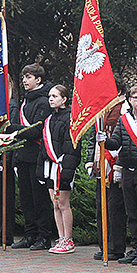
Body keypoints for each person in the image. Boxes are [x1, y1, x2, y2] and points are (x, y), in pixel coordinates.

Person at [98, 85, 137, 266]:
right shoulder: (124, 120)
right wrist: (104, 141)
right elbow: (116, 142)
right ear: (129, 100)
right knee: (132, 212)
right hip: (127, 170)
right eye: (135, 97)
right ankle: (136, 246)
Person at [4, 63, 52, 248]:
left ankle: (43, 236)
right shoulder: (26, 100)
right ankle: (30, 234)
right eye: (24, 77)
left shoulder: (44, 100)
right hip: (22, 156)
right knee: (26, 200)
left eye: (28, 77)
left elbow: (36, 131)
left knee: (39, 200)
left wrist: (13, 130)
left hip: (37, 157)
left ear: (38, 80)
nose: (24, 80)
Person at [88, 81, 127, 261]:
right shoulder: (100, 112)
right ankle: (103, 244)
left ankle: (116, 247)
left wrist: (118, 164)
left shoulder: (124, 110)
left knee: (115, 208)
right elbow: (92, 138)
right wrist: (90, 161)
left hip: (116, 165)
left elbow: (126, 140)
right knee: (101, 207)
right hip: (100, 164)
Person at [39, 84, 78, 254]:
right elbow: (43, 146)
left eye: (55, 96)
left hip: (62, 167)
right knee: (55, 204)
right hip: (50, 167)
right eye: (50, 96)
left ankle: (68, 239)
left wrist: (68, 171)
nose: (51, 99)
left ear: (64, 99)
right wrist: (40, 169)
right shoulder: (49, 119)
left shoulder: (70, 119)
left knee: (63, 203)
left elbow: (72, 148)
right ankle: (61, 237)